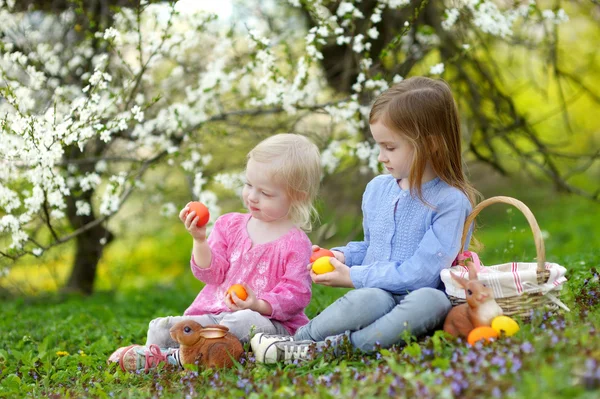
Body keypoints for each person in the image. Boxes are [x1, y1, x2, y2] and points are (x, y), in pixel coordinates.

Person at [251, 77, 480, 364]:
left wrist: (353, 277)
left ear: (431, 144)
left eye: (391, 147)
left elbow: (425, 273)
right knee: (372, 298)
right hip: (375, 294)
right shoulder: (377, 190)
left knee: (432, 301)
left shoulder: (450, 201)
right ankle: (299, 340)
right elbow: (373, 247)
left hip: (416, 302)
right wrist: (342, 256)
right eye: (378, 146)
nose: (382, 157)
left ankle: (328, 349)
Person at [108, 133, 321, 371]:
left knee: (243, 321)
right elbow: (210, 274)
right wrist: (199, 240)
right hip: (214, 317)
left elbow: (297, 293)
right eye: (249, 185)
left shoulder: (295, 242)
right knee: (161, 327)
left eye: (266, 193)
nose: (252, 196)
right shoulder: (228, 225)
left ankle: (174, 359)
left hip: (268, 324)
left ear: (297, 196)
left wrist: (257, 304)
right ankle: (157, 356)